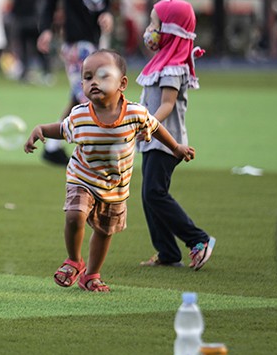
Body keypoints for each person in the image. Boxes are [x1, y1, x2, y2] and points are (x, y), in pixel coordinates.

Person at [24, 49, 195, 292]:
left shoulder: (135, 113)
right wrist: (41, 129)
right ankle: (74, 260)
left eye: (103, 76)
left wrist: (176, 147)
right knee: (74, 215)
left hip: (115, 185)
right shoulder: (80, 114)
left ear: (122, 83)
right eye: (87, 77)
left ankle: (91, 275)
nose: (94, 82)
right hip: (82, 176)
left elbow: (155, 127)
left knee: (104, 231)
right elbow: (62, 129)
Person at [137, 0, 215, 270]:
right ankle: (167, 252)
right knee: (149, 195)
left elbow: (167, 104)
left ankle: (198, 239)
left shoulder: (173, 67)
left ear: (170, 30)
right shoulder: (161, 63)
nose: (149, 30)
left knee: (154, 193)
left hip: (166, 142)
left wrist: (147, 124)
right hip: (153, 140)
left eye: (154, 24)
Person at [36, 0, 114, 165]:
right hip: (75, 42)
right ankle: (95, 151)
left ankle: (52, 147)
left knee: (77, 96)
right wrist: (46, 29)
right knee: (91, 94)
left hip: (96, 41)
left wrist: (107, 15)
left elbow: (105, 3)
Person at [11, 0, 52, 84]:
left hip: (22, 26)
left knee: (24, 51)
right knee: (39, 50)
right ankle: (46, 72)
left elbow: (14, 11)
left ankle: (24, 73)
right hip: (34, 26)